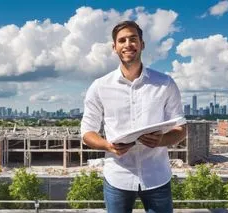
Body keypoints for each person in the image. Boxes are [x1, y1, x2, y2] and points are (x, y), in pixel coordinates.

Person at [80, 20, 187, 213]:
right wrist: (108, 146)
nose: (128, 44)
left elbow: (181, 128)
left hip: (157, 177)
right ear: (115, 47)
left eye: (133, 39)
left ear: (142, 44)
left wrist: (162, 139)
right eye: (122, 40)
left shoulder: (165, 83)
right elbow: (87, 132)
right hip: (118, 177)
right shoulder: (99, 86)